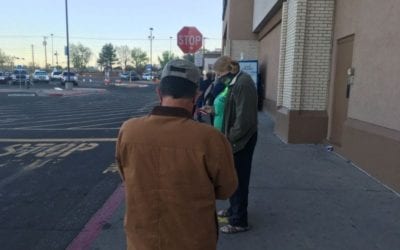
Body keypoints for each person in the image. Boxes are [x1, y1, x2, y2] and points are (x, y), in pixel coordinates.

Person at [116, 59, 238, 250]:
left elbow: (125, 175)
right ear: (196, 96)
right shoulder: (211, 138)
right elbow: (226, 189)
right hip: (194, 240)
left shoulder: (128, 131)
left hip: (142, 239)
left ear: (159, 92)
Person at [213, 56, 258, 234]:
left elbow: (244, 121)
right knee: (233, 177)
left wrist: (228, 138)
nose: (218, 77)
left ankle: (239, 221)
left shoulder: (242, 84)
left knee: (239, 180)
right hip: (237, 140)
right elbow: (233, 111)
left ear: (230, 70)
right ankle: (233, 211)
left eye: (219, 74)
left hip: (241, 141)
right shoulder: (236, 82)